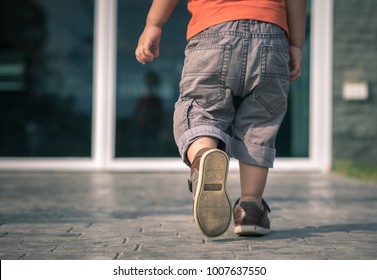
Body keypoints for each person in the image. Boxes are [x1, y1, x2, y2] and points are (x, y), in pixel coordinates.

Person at [135, 0, 306, 237]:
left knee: (201, 110)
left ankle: (203, 157)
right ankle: (250, 208)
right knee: (260, 123)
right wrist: (296, 44)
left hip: (213, 32)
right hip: (272, 37)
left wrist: (154, 24)